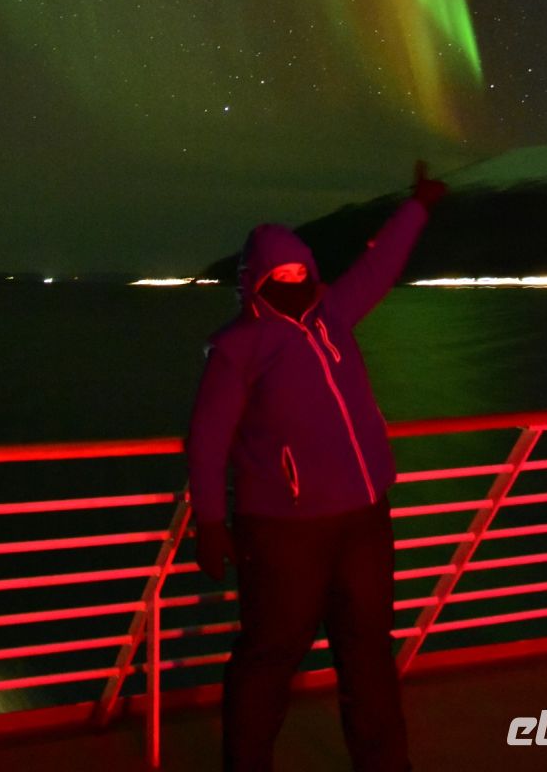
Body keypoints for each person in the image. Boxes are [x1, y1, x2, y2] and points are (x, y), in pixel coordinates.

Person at [186, 162, 448, 772]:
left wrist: (419, 207)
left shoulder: (334, 314)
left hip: (363, 517)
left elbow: (379, 268)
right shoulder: (238, 348)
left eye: (301, 270)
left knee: (367, 657)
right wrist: (210, 521)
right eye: (280, 274)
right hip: (283, 530)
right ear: (254, 281)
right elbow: (206, 438)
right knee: (269, 658)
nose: (294, 281)